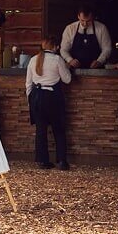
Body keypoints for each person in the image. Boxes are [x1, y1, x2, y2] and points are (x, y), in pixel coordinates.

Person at [26, 37, 72, 170]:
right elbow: (67, 79)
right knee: (59, 129)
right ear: (55, 47)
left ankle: (42, 160)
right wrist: (67, 68)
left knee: (41, 130)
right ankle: (62, 161)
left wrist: (30, 100)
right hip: (53, 97)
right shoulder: (58, 60)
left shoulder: (33, 59)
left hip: (37, 96)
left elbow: (28, 83)